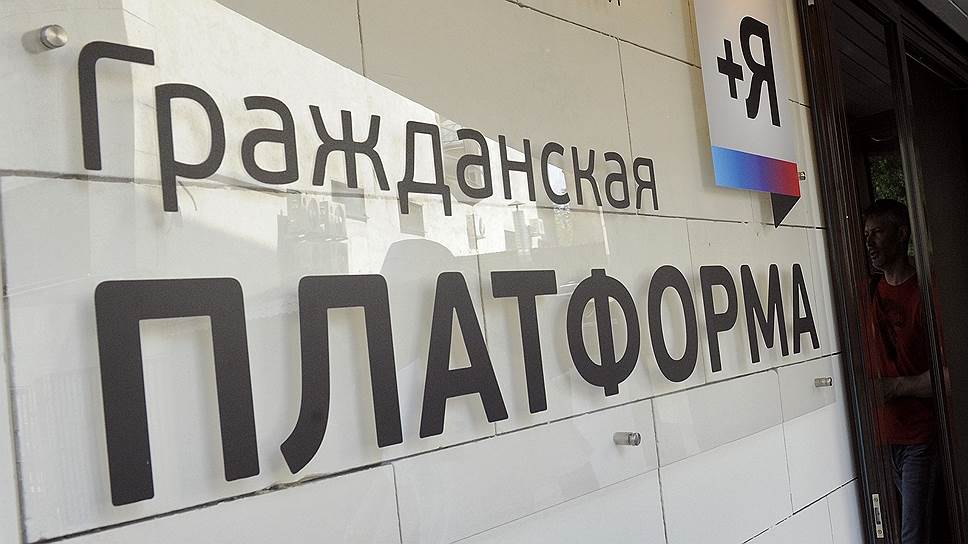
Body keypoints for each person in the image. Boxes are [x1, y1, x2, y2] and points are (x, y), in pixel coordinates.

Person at [864, 199, 937, 544]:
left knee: (912, 536)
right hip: (880, 437)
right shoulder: (868, 292)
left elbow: (948, 377)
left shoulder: (925, 293)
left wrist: (893, 388)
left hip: (918, 438)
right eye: (867, 235)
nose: (869, 243)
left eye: (878, 233)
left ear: (902, 233)